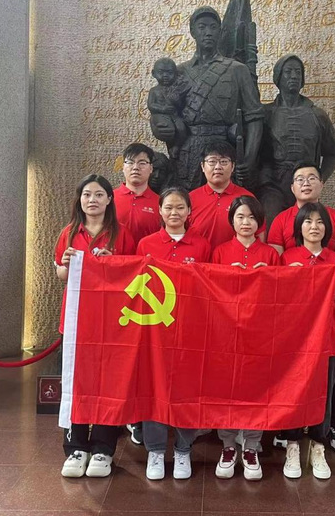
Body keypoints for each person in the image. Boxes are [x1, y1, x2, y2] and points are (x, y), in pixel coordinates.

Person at [54, 174, 136, 478]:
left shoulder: (122, 234)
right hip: (76, 320)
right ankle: (76, 447)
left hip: (111, 321)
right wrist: (66, 264)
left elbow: (133, 277)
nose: (92, 200)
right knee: (76, 381)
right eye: (87, 194)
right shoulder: (68, 232)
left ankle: (103, 447)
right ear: (79, 199)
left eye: (99, 194)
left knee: (108, 383)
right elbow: (60, 274)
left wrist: (112, 263)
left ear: (109, 199)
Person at [267, 162, 335, 452]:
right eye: (300, 179)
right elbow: (277, 270)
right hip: (293, 312)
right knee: (290, 367)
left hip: (326, 308)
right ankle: (287, 425)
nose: (306, 183)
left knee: (330, 370)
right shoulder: (281, 220)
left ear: (322, 184)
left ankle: (332, 425)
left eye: (312, 178)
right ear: (292, 187)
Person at [136, 187, 211, 480]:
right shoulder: (146, 244)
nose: (174, 213)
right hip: (154, 329)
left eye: (180, 207)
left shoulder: (202, 245)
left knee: (186, 388)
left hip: (190, 328)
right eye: (168, 207)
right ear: (160, 211)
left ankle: (183, 449)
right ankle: (155, 450)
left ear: (189, 211)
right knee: (152, 387)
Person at [150, 6, 264, 190]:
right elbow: (165, 109)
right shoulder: (178, 72)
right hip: (188, 150)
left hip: (225, 149)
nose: (208, 32)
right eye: (202, 27)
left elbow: (255, 117)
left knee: (226, 202)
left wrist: (249, 158)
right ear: (192, 31)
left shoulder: (237, 70)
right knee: (187, 203)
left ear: (220, 31)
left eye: (213, 27)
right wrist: (158, 127)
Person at [279, 202, 335, 480]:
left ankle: (319, 446)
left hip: (325, 336)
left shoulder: (334, 260)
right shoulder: (288, 257)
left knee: (324, 391)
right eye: (308, 221)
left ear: (327, 229)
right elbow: (278, 299)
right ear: (299, 227)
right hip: (294, 338)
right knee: (294, 389)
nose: (314, 226)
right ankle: (293, 444)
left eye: (320, 222)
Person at [210, 195, 279, 481]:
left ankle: (251, 446)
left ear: (259, 221)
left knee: (256, 389)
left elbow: (280, 295)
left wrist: (268, 276)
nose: (246, 222)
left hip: (260, 333)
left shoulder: (271, 254)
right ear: (232, 221)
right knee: (226, 388)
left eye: (251, 217)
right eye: (240, 216)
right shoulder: (220, 252)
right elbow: (209, 291)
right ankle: (228, 445)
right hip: (226, 333)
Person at [113, 143, 162, 446]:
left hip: (149, 291)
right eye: (130, 162)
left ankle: (141, 414)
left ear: (151, 169)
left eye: (142, 162)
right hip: (116, 289)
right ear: (123, 167)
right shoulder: (109, 199)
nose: (136, 168)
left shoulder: (160, 203)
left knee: (145, 352)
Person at [258, 54, 335, 230]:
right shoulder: (266, 114)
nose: (294, 76)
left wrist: (319, 179)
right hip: (274, 185)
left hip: (305, 184)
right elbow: (255, 151)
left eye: (298, 72)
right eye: (288, 72)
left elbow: (333, 152)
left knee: (307, 229)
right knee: (272, 227)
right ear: (278, 77)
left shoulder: (317, 115)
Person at [188, 141, 261, 250]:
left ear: (233, 166)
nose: (218, 167)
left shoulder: (247, 198)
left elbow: (259, 236)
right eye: (212, 161)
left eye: (223, 161)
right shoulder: (190, 199)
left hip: (235, 259)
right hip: (199, 258)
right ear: (202, 166)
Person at [147, 58, 189, 160]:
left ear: (176, 74)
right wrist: (163, 109)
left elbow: (181, 106)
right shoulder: (154, 91)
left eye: (169, 73)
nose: (165, 76)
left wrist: (176, 101)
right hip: (161, 116)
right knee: (168, 130)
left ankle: (176, 147)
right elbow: (151, 105)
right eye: (161, 72)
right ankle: (171, 148)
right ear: (153, 73)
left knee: (181, 129)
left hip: (174, 115)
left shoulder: (176, 90)